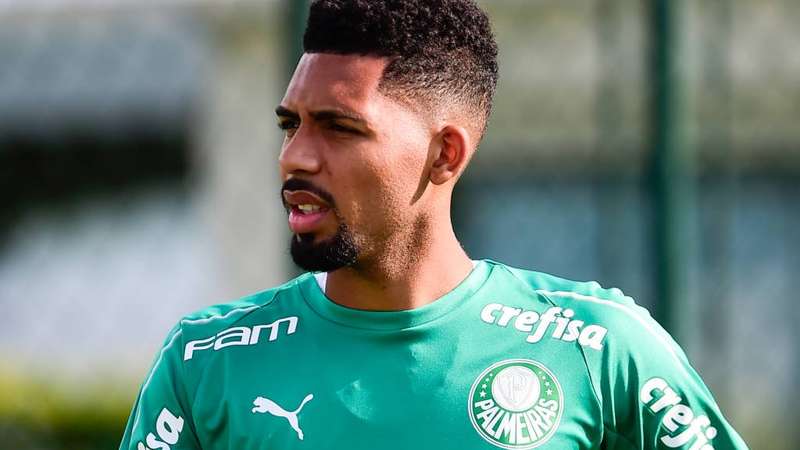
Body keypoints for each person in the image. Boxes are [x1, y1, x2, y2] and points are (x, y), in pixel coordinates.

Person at [119, 1, 748, 449]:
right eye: (292, 125)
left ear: (445, 154)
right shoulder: (206, 364)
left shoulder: (598, 349)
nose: (295, 156)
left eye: (339, 127)